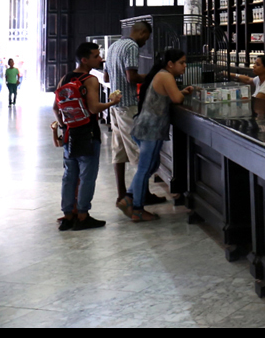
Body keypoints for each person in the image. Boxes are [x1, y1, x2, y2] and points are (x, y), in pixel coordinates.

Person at [55, 42, 121, 231]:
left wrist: (64, 126)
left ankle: (68, 215)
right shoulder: (90, 80)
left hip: (70, 133)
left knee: (69, 175)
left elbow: (55, 108)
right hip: (88, 133)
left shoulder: (65, 78)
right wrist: (112, 102)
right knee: (87, 176)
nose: (100, 59)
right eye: (96, 56)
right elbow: (93, 108)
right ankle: (83, 215)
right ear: (84, 60)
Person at [123, 48, 194, 222]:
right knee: (145, 168)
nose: (184, 66)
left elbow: (169, 96)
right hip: (151, 129)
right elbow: (176, 99)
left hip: (146, 127)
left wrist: (182, 92)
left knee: (151, 165)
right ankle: (137, 209)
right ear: (170, 64)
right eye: (181, 63)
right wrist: (181, 94)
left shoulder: (161, 74)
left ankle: (128, 198)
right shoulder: (166, 76)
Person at [104, 22, 167, 209]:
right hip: (128, 105)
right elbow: (131, 77)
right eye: (146, 37)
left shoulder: (114, 45)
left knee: (119, 150)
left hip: (115, 105)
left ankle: (121, 194)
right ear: (142, 32)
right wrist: (154, 76)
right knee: (140, 152)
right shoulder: (131, 46)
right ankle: (140, 196)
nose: (145, 41)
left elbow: (106, 78)